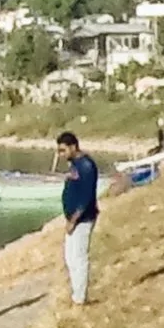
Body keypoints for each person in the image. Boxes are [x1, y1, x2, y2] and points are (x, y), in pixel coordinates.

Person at [58, 130, 100, 305]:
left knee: (79, 257)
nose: (61, 155)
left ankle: (80, 298)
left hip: (82, 219)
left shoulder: (86, 166)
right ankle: (76, 292)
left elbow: (86, 196)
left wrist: (73, 220)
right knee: (70, 257)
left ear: (73, 147)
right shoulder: (75, 164)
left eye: (63, 150)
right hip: (73, 218)